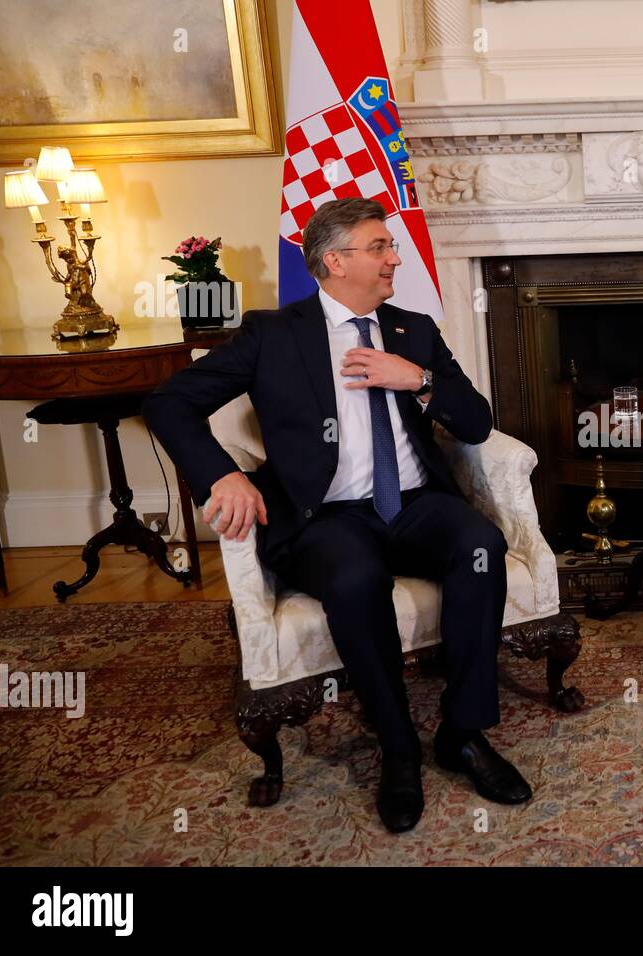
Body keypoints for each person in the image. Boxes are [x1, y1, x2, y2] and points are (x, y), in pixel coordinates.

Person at [144, 197, 529, 833]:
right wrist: (224, 474)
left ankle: (462, 733)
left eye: (391, 247)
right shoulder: (274, 333)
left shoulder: (413, 330)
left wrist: (418, 379)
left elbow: (476, 422)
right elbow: (169, 402)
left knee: (480, 545)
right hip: (324, 515)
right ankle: (398, 746)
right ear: (334, 260)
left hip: (414, 504)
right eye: (380, 246)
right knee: (355, 580)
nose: (394, 258)